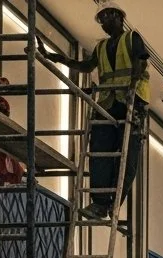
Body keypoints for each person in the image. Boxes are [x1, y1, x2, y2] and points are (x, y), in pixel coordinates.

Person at [45, 2, 149, 220]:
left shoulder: (132, 38)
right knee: (100, 151)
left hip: (132, 102)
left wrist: (131, 87)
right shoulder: (101, 47)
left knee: (127, 157)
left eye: (105, 18)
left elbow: (141, 63)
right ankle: (100, 203)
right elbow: (87, 66)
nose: (103, 24)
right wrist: (60, 59)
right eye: (100, 20)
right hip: (108, 101)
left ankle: (114, 202)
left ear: (118, 17)